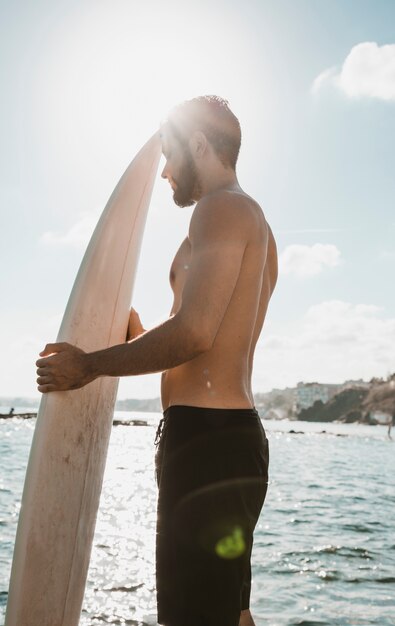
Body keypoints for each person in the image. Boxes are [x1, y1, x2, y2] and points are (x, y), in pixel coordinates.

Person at [36, 95, 278, 626]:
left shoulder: (221, 209)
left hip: (206, 444)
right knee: (231, 615)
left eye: (170, 154)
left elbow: (194, 333)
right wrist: (134, 330)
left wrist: (90, 365)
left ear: (198, 143)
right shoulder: (257, 225)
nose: (166, 170)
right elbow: (215, 342)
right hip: (230, 438)